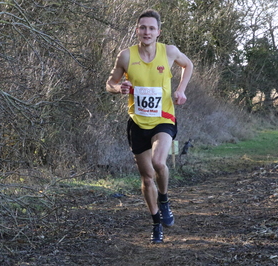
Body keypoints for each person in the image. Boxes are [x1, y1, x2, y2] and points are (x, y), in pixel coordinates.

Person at [106, 9, 193, 244]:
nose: (147, 32)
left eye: (151, 28)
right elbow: (110, 83)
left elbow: (189, 65)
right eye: (143, 27)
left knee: (158, 163)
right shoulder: (125, 56)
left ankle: (164, 199)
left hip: (164, 118)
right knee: (146, 178)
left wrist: (181, 90)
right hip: (137, 122)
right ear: (137, 30)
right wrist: (118, 89)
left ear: (158, 32)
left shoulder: (169, 52)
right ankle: (156, 223)